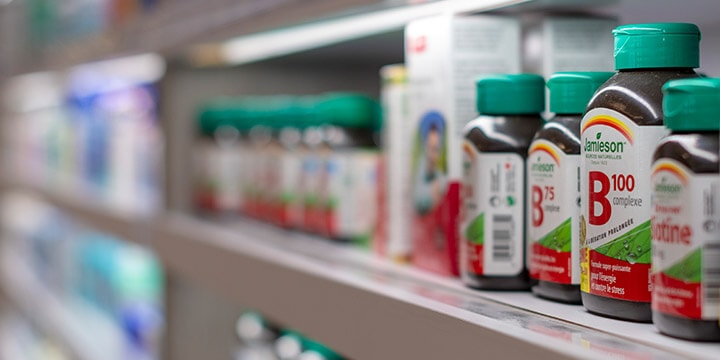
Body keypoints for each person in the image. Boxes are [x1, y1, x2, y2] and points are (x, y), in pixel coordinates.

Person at [414, 114, 447, 214]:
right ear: (425, 147)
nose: (433, 156)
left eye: (436, 149)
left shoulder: (440, 175)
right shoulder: (418, 170)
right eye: (431, 148)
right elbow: (417, 199)